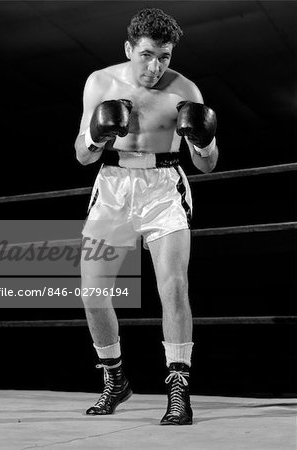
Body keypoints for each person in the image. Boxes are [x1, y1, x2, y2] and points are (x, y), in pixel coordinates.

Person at [74, 8, 218, 425]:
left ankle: (178, 391)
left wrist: (204, 144)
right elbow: (83, 156)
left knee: (172, 288)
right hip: (113, 186)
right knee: (92, 292)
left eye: (165, 57)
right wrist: (97, 134)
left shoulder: (185, 90)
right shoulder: (100, 82)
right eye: (147, 55)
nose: (155, 67)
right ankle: (115, 380)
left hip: (163, 188)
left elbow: (207, 165)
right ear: (128, 49)